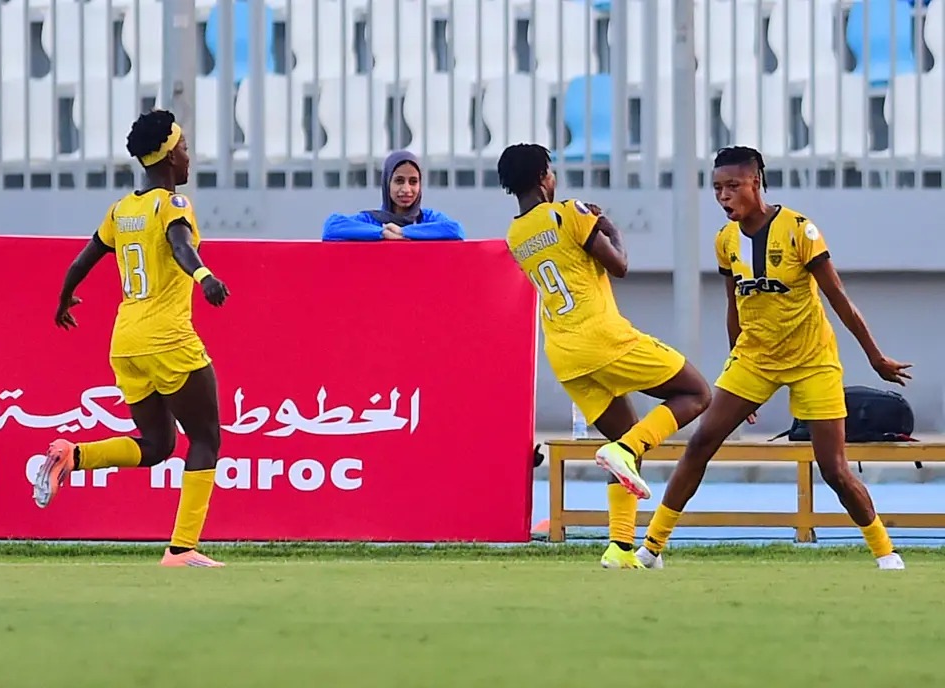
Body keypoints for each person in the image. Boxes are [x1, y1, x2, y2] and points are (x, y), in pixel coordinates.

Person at [638, 146, 911, 570]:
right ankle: (651, 548)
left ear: (755, 183)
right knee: (699, 444)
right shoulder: (725, 241)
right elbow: (735, 307)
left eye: (732, 186)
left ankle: (885, 551)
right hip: (754, 360)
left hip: (812, 360)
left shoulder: (800, 230)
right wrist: (736, 371)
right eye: (716, 188)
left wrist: (875, 357)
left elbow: (839, 300)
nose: (723, 196)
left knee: (834, 468)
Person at [499, 143, 712, 570]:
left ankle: (619, 547)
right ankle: (627, 450)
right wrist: (609, 226)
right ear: (544, 176)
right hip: (603, 338)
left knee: (622, 443)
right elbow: (619, 265)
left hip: (563, 352)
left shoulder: (515, 234)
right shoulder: (569, 212)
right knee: (697, 392)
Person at [32, 109, 230, 568]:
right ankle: (182, 550)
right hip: (169, 339)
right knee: (205, 438)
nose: (187, 156)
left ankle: (71, 457)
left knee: (157, 444)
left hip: (126, 341)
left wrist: (64, 299)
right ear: (165, 156)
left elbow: (81, 262)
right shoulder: (171, 204)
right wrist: (205, 277)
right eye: (182, 147)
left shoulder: (121, 211)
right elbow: (182, 246)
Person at [321, 150, 466, 241]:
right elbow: (331, 227)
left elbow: (456, 230)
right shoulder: (372, 221)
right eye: (399, 181)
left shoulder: (427, 219)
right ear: (387, 183)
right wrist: (382, 233)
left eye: (413, 182)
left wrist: (404, 232)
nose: (406, 189)